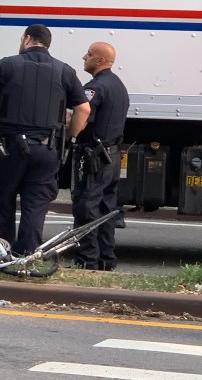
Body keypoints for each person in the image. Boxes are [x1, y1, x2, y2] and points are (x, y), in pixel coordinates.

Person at [0, 24, 91, 255]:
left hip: (8, 148)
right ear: (47, 43)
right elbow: (84, 109)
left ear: (27, 39)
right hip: (47, 150)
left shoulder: (6, 65)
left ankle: (2, 253)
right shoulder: (64, 70)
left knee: (2, 200)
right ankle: (26, 257)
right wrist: (71, 136)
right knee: (35, 206)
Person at [71, 42, 129, 271]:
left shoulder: (94, 88)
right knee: (107, 208)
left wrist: (69, 129)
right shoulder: (118, 85)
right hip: (112, 156)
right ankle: (106, 259)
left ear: (101, 61)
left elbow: (84, 116)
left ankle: (87, 260)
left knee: (87, 206)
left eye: (90, 54)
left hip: (95, 157)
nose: (84, 56)